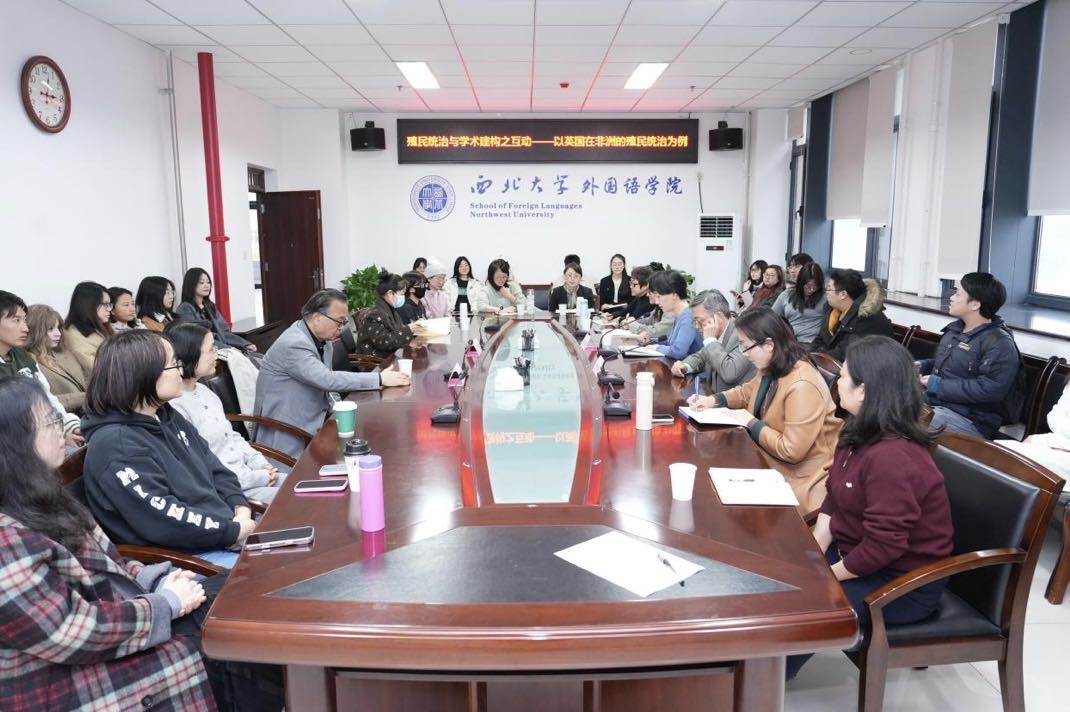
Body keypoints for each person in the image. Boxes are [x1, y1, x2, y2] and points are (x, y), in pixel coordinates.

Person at [0, 375, 219, 711]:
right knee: (231, 640)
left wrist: (155, 580)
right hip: (65, 681)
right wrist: (164, 604)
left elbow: (108, 566)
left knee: (230, 602)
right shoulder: (6, 538)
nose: (61, 431)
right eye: (50, 421)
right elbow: (70, 633)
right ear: (13, 442)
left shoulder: (39, 497)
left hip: (117, 625)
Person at [787, 336, 953, 679]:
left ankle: (761, 684)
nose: (837, 383)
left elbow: (883, 547)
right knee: (781, 570)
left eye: (843, 376)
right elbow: (834, 495)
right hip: (856, 553)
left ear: (863, 390)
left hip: (901, 582)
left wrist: (824, 576)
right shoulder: (857, 432)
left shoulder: (894, 458)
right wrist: (816, 546)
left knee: (802, 604)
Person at [81, 330, 256, 569]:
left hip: (222, 533)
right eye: (173, 365)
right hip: (184, 560)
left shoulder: (165, 415)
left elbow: (215, 468)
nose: (181, 372)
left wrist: (240, 508)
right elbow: (165, 521)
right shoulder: (116, 446)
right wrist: (232, 531)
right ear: (142, 375)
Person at [687, 307, 841, 512]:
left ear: (769, 345)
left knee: (716, 503)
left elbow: (791, 450)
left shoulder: (802, 384)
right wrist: (713, 400)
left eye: (746, 346)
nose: (744, 354)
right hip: (767, 459)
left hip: (800, 477)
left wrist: (751, 423)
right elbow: (747, 391)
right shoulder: (773, 365)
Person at [259, 289, 410, 460]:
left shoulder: (322, 340)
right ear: (317, 318)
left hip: (318, 417)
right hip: (289, 429)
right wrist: (379, 378)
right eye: (339, 321)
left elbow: (328, 384)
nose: (342, 328)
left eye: (344, 322)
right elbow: (326, 379)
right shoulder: (294, 344)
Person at [169, 323, 286, 504]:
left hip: (251, 475)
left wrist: (259, 463)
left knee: (306, 484)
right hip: (231, 493)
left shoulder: (205, 391)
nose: (216, 354)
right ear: (189, 354)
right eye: (210, 349)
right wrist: (258, 477)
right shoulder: (176, 407)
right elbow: (204, 469)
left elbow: (231, 436)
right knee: (304, 499)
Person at [917, 272, 1020, 439]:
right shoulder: (955, 330)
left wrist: (938, 385)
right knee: (886, 400)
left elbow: (989, 389)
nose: (951, 298)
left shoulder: (1000, 343)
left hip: (973, 420)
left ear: (975, 304)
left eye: (958, 294)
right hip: (937, 405)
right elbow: (951, 365)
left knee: (908, 419)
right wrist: (923, 365)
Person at [0, 291, 83, 444]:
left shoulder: (23, 356)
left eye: (25, 320)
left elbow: (46, 397)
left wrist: (69, 429)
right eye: (16, 320)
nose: (25, 328)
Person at [671, 290, 755, 393]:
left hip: (736, 401)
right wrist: (684, 366)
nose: (696, 326)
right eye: (694, 321)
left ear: (718, 317)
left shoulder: (743, 333)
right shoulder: (717, 334)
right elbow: (701, 356)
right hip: (713, 397)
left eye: (700, 321)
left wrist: (710, 340)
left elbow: (730, 373)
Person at [810, 268, 894, 362]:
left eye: (829, 289)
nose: (826, 293)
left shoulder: (867, 317)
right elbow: (820, 338)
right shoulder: (833, 310)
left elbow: (844, 353)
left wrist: (815, 360)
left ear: (843, 294)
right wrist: (810, 356)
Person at [175, 268, 255, 352]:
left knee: (256, 355)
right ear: (191, 285)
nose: (207, 285)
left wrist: (244, 344)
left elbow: (224, 331)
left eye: (208, 282)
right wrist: (228, 349)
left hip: (222, 348)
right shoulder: (185, 308)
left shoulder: (209, 306)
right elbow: (199, 338)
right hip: (206, 352)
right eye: (202, 282)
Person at [26, 304, 88, 413]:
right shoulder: (27, 362)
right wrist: (87, 397)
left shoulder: (64, 352)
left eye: (58, 328)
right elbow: (45, 401)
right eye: (50, 329)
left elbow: (85, 378)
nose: (58, 334)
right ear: (35, 330)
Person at [636, 270, 703, 359]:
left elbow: (678, 351)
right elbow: (671, 343)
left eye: (659, 296)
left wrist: (657, 348)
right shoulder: (680, 314)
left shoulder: (688, 317)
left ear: (674, 295)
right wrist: (651, 341)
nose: (656, 302)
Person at [355, 272, 418, 359]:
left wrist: (414, 329)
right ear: (390, 293)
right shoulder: (375, 314)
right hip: (373, 362)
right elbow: (384, 342)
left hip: (389, 356)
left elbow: (397, 330)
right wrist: (409, 329)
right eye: (402, 294)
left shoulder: (389, 309)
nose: (403, 297)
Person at [64, 280, 114, 373]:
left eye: (110, 304)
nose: (109, 309)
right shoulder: (76, 336)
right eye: (105, 304)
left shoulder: (99, 327)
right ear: (88, 305)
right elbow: (100, 370)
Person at [770, 262, 827, 343]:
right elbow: (772, 316)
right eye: (808, 286)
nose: (811, 290)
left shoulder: (825, 298)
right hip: (789, 341)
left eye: (815, 286)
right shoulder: (787, 294)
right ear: (801, 283)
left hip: (813, 343)